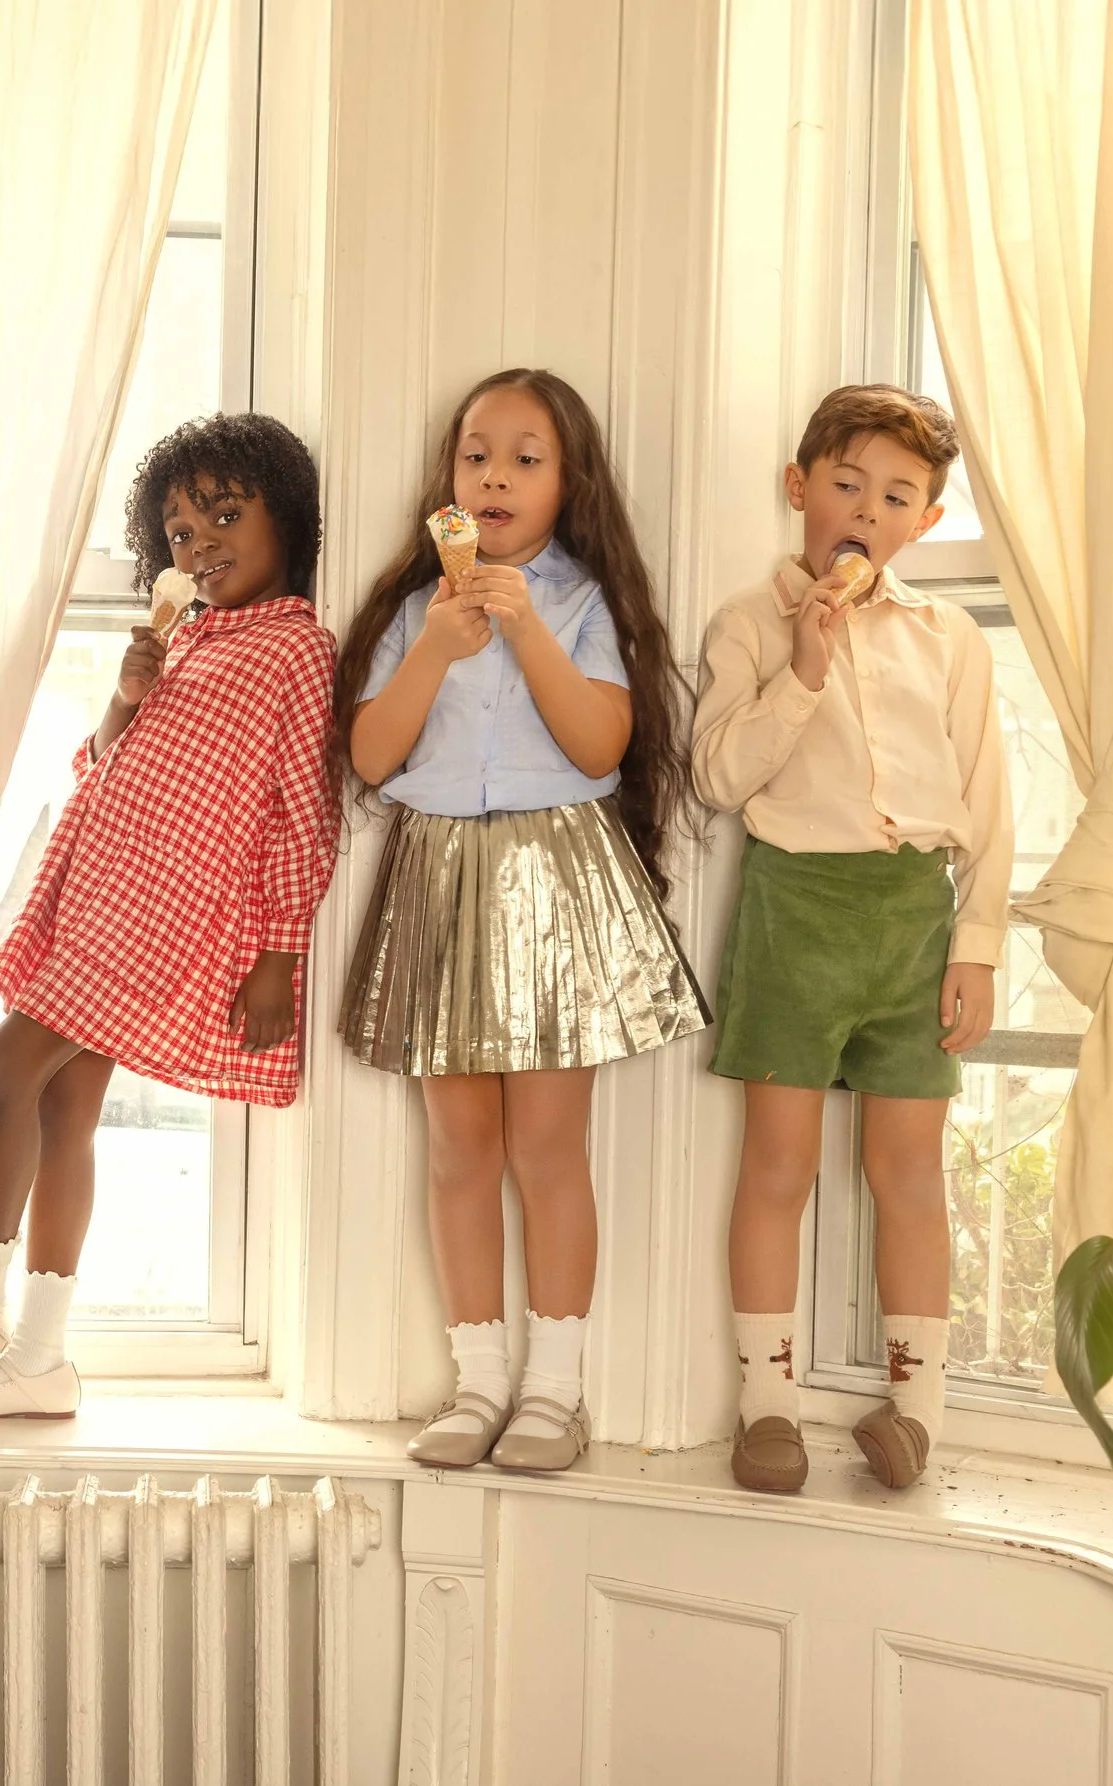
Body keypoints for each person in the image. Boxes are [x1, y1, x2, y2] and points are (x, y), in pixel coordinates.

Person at [0, 412, 339, 1422]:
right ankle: (42, 1358)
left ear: (291, 519)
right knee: (63, 1111)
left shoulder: (294, 649)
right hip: (98, 893)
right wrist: (121, 702)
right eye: (181, 533)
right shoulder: (184, 637)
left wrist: (278, 952)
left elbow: (298, 814)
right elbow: (104, 769)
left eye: (226, 516)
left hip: (163, 916)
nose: (202, 546)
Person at [337, 369, 704, 1474]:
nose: (492, 473)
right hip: (440, 874)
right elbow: (369, 756)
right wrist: (440, 647)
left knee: (547, 1148)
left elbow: (599, 745)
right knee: (458, 1148)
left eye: (523, 457)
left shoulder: (584, 601)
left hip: (556, 878)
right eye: (474, 454)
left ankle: (555, 1388)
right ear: (448, 478)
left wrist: (525, 626)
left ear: (567, 481)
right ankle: (477, 1380)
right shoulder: (416, 612)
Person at [694, 383, 1007, 1494]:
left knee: (907, 1171)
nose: (865, 510)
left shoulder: (948, 639)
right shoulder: (748, 622)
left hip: (913, 922)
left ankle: (915, 1409)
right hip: (795, 911)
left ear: (922, 521)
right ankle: (765, 1404)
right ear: (799, 489)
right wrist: (806, 663)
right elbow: (717, 775)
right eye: (844, 484)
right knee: (775, 1166)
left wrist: (974, 944)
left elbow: (986, 798)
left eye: (895, 496)